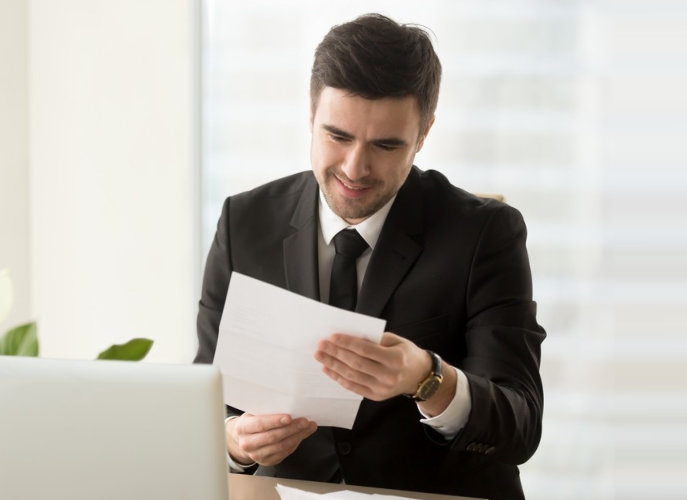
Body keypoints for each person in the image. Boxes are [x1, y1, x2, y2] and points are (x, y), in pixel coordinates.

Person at [192, 13, 545, 500]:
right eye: (337, 136)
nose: (355, 168)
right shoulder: (244, 221)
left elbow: (520, 424)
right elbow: (206, 403)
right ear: (310, 114)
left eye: (385, 145)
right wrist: (236, 443)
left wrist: (428, 378)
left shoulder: (486, 234)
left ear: (423, 135)